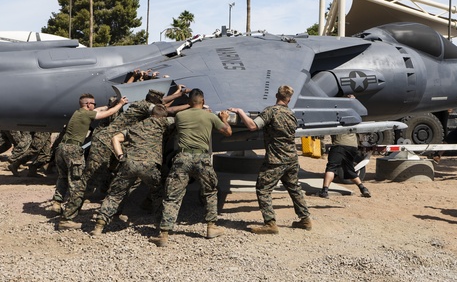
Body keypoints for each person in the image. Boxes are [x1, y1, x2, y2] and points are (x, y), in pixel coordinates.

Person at [152, 89, 233, 247]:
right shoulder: (209, 116)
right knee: (210, 192)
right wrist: (224, 119)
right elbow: (227, 131)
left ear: (189, 102)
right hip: (202, 159)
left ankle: (164, 234)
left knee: (172, 196)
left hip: (182, 158)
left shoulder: (180, 116)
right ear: (203, 101)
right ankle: (211, 227)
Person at [230, 86, 313, 234]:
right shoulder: (291, 114)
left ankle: (270, 223)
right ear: (289, 99)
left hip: (276, 160)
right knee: (294, 188)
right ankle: (305, 219)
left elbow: (252, 126)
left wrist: (240, 111)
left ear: (276, 95)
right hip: (292, 159)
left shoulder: (271, 112)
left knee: (263, 189)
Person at [91, 106, 175, 236]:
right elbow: (180, 119)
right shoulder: (163, 122)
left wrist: (120, 156)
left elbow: (115, 138)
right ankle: (160, 227)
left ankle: (99, 225)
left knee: (115, 194)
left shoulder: (136, 127)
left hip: (129, 163)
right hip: (150, 165)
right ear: (162, 116)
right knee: (157, 195)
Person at [51, 93, 127, 212]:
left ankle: (56, 202)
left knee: (63, 177)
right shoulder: (87, 114)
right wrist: (121, 104)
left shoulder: (78, 112)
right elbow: (108, 113)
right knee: (77, 181)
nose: (95, 106)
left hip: (61, 148)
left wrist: (113, 104)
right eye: (93, 103)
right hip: (73, 149)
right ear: (87, 104)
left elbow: (101, 109)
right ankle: (70, 213)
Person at [317, 130, 372, 198]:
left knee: (331, 167)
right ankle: (363, 189)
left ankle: (324, 191)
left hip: (339, 145)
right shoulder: (353, 120)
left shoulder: (337, 120)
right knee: (349, 169)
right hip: (352, 146)